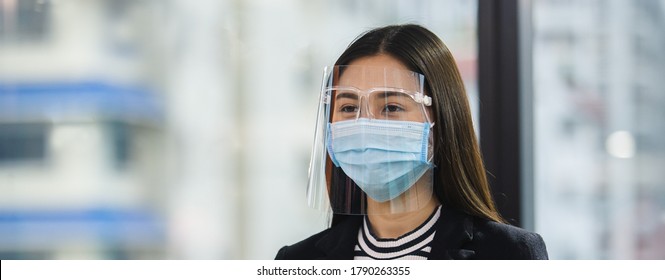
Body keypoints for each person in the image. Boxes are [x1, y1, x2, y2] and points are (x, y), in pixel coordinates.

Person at [275, 24, 548, 260]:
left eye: (391, 107)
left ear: (440, 122)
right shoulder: (297, 261)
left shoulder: (508, 253)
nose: (365, 124)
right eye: (348, 108)